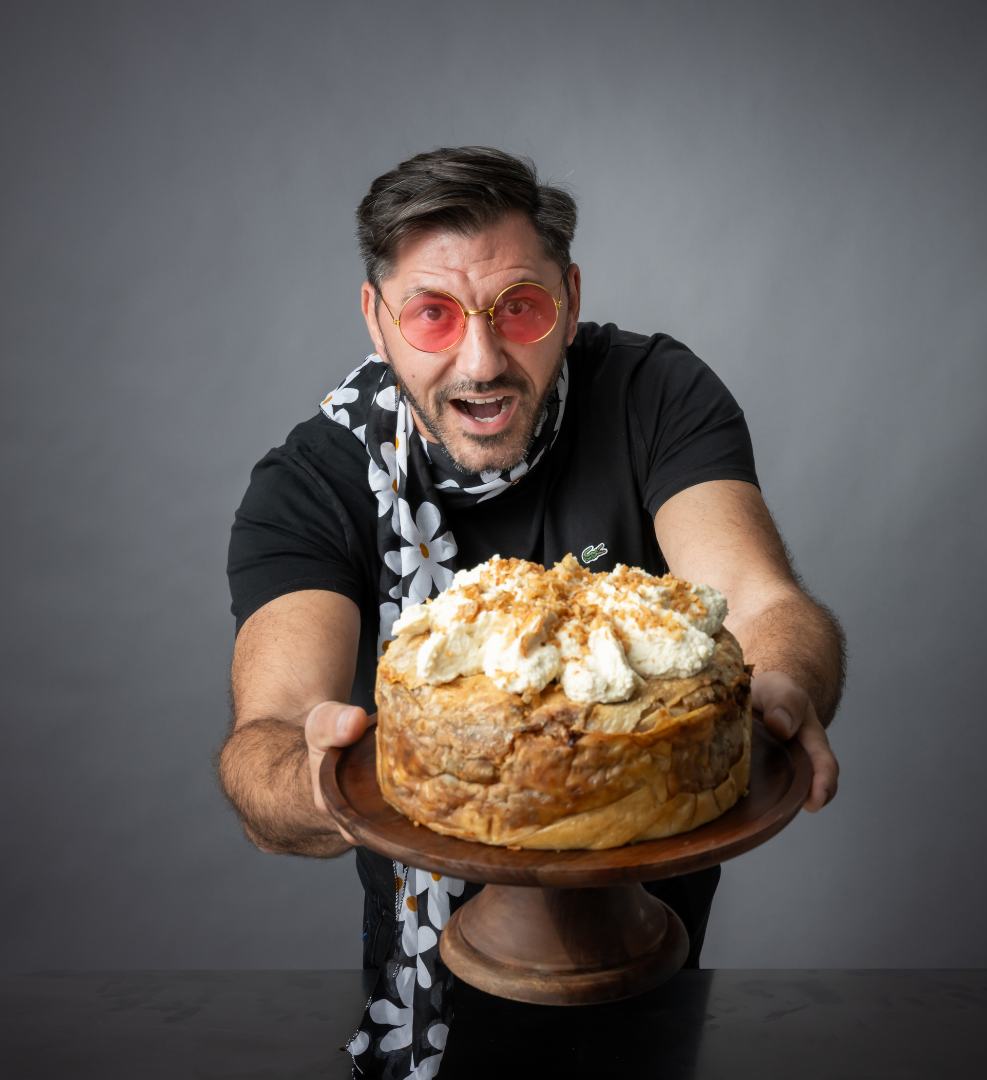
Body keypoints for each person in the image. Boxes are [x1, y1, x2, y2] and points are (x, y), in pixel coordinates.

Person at [220, 146, 844, 1077]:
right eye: (432, 314)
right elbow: (267, 735)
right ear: (377, 318)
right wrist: (324, 775)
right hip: (424, 991)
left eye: (520, 308)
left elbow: (761, 600)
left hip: (655, 961)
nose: (481, 362)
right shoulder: (313, 483)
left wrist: (785, 682)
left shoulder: (652, 395)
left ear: (571, 299)